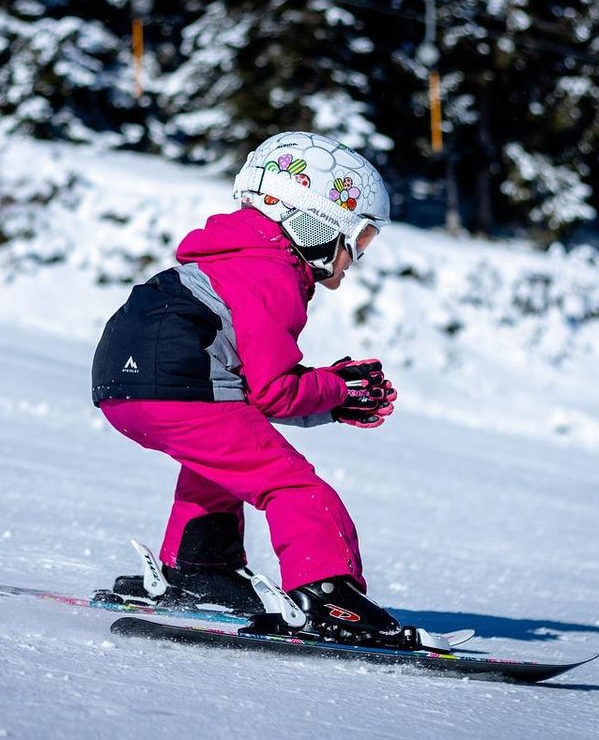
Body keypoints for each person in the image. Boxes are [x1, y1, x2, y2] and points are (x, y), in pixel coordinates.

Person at [91, 131, 406, 646]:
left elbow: (251, 391)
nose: (354, 260)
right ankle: (326, 597)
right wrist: (338, 391)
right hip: (178, 383)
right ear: (316, 223)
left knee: (221, 461)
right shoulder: (272, 272)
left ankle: (202, 569)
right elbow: (274, 392)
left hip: (123, 388)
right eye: (360, 240)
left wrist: (329, 395)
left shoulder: (227, 260)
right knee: (293, 486)